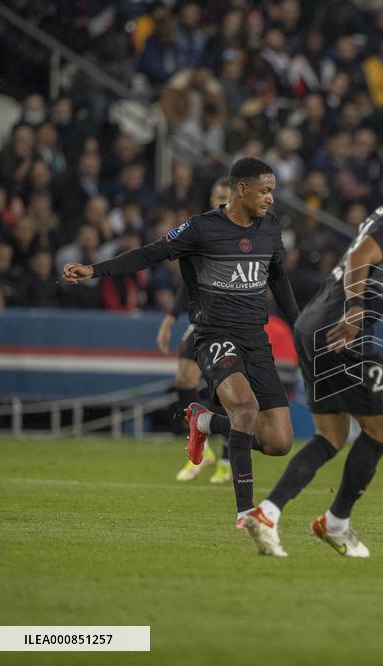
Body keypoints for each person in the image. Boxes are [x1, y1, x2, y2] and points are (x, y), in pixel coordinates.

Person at [63, 158, 300, 529]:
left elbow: (280, 279)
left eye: (272, 191)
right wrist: (96, 270)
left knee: (278, 442)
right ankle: (245, 513)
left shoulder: (270, 229)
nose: (271, 198)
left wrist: (299, 326)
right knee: (245, 407)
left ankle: (204, 421)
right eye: (265, 190)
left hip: (256, 338)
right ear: (242, 189)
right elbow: (150, 253)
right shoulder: (201, 228)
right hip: (215, 336)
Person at [243, 153, 383, 558]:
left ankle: (268, 512)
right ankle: (336, 522)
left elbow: (366, 263)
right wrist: (358, 308)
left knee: (332, 435)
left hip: (312, 325)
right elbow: (359, 260)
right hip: (345, 330)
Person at [158, 176, 233, 484]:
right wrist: (169, 319)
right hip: (202, 318)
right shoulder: (202, 231)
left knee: (228, 392)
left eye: (225, 194)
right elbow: (189, 282)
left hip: (233, 320)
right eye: (216, 193)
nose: (220, 198)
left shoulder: (247, 232)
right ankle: (203, 447)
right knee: (184, 378)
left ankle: (228, 461)